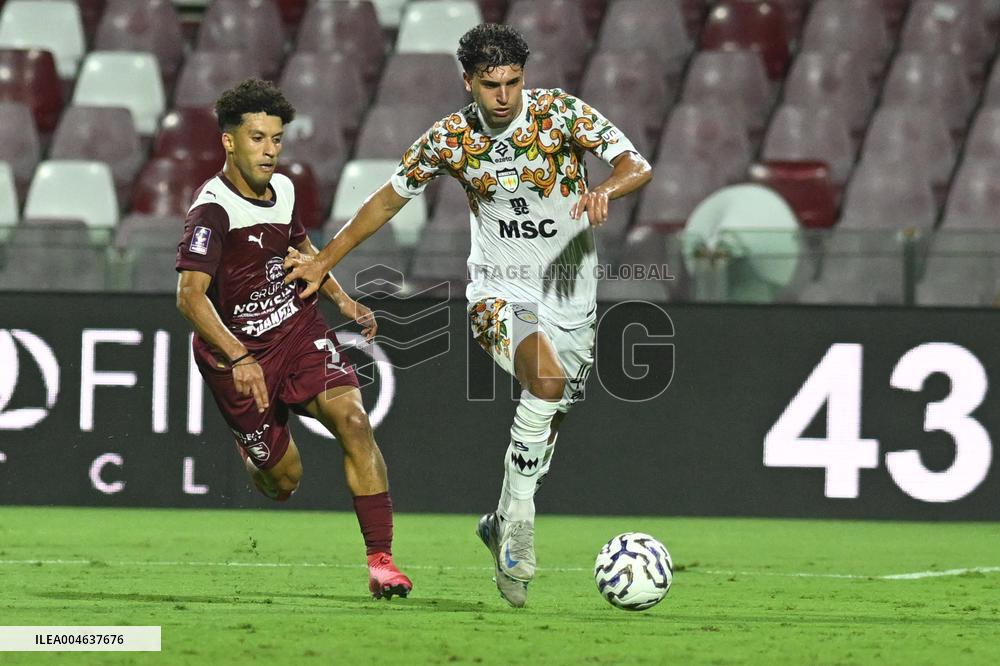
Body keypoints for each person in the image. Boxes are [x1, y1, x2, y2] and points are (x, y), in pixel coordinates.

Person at [284, 24, 652, 607]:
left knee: (548, 420)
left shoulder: (560, 114)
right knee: (547, 383)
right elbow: (385, 200)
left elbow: (637, 164)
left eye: (512, 82)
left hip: (572, 300)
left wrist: (609, 188)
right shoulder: (450, 139)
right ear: (468, 83)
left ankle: (500, 519)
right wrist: (324, 260)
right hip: (497, 294)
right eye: (490, 85)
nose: (503, 96)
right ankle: (520, 530)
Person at [175, 79, 412, 600]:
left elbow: (306, 253)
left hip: (297, 330)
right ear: (229, 142)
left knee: (353, 420)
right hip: (239, 358)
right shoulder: (212, 210)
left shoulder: (283, 189)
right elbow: (190, 297)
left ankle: (381, 562)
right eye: (257, 138)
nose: (269, 150)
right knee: (283, 482)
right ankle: (255, 451)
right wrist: (238, 355)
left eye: (277, 139)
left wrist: (345, 303)